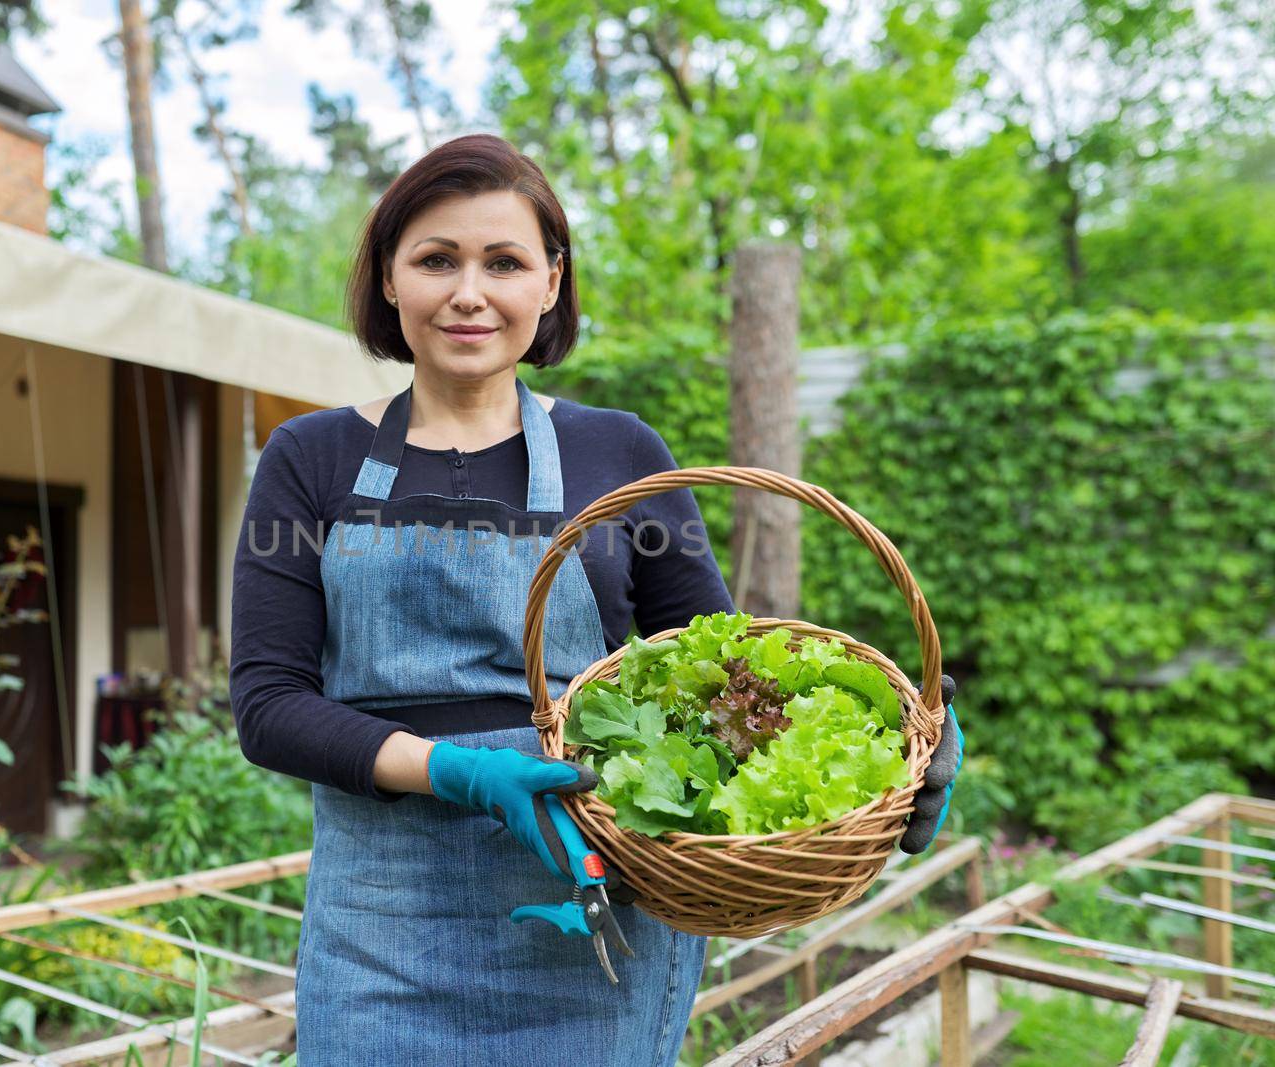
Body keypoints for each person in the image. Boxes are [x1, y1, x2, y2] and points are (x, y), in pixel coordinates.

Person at [229, 133, 961, 1066]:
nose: (468, 292)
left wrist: (888, 746)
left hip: (599, 913)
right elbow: (269, 707)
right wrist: (460, 770)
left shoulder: (620, 455)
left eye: (504, 262)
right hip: (382, 931)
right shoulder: (310, 458)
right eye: (435, 259)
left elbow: (718, 679)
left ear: (550, 282)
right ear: (386, 279)